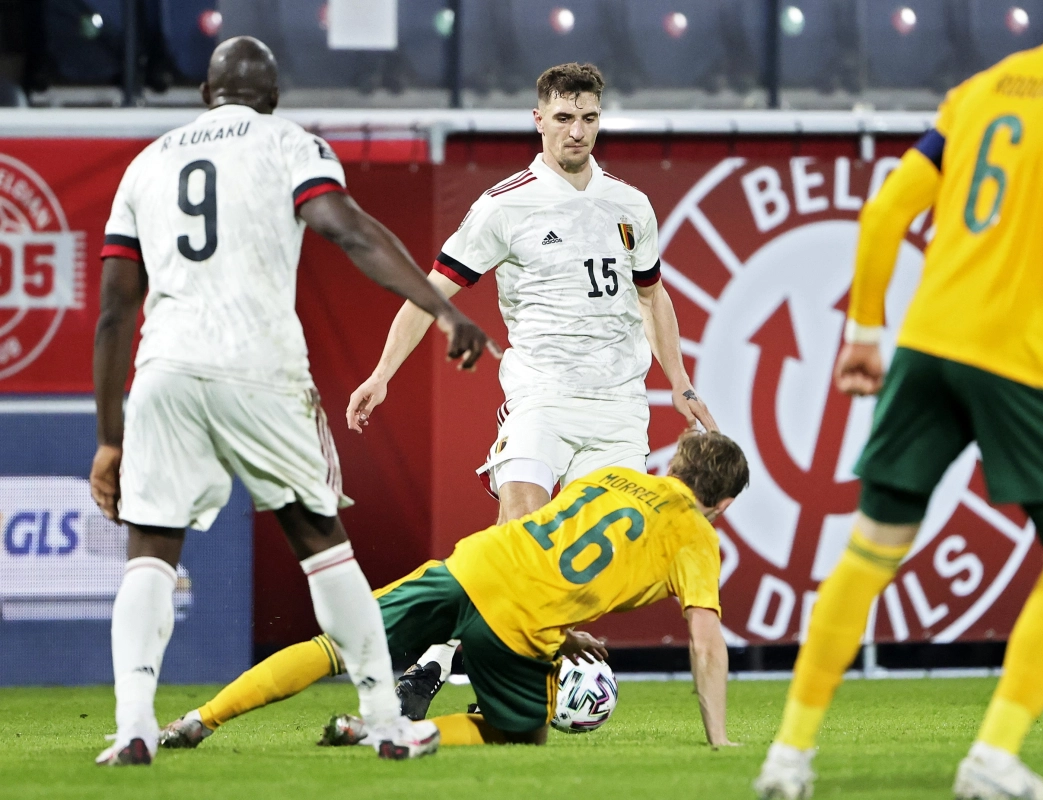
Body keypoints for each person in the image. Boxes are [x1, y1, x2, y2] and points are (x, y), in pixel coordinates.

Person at [753, 1, 1043, 799]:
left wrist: (863, 327)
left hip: (925, 344)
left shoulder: (980, 89)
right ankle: (992, 759)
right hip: (1020, 355)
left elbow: (889, 206)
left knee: (868, 550)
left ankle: (788, 757)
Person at [90, 36, 494, 766]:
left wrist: (110, 439)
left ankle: (134, 727)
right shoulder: (289, 144)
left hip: (165, 370)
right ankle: (385, 721)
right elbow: (347, 229)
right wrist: (440, 309)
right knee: (320, 545)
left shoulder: (146, 165)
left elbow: (116, 311)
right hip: (259, 366)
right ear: (271, 98)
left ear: (205, 95)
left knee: (149, 553)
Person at [344, 62, 716, 715]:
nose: (578, 131)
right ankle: (485, 665)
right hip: (542, 391)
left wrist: (680, 384)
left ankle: (450, 661)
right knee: (518, 529)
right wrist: (380, 374)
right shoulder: (504, 205)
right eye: (565, 118)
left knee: (586, 565)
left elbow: (653, 298)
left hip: (619, 403)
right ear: (538, 118)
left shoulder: (631, 204)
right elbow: (430, 292)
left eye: (590, 118)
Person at [158, 431, 747, 751]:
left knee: (338, 646)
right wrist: (717, 737)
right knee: (522, 731)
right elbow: (704, 640)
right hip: (520, 617)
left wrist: (564, 633)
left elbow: (544, 546)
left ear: (672, 463)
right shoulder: (696, 535)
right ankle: (406, 735)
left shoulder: (612, 476)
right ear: (721, 504)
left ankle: (199, 720)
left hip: (472, 564)